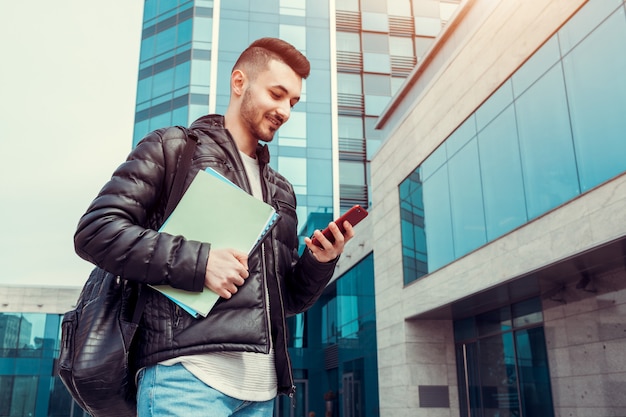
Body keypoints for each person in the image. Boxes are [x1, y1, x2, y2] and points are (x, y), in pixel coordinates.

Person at [74, 37, 354, 417]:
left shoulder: (281, 191)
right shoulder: (172, 149)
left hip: (261, 392)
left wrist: (319, 262)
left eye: (293, 102)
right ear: (239, 82)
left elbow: (284, 301)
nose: (285, 110)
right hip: (183, 381)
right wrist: (201, 262)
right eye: (277, 94)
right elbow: (96, 231)